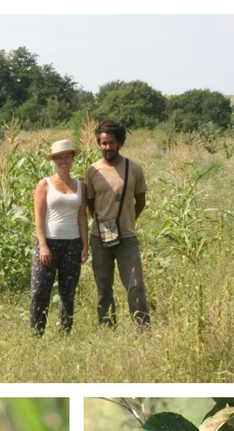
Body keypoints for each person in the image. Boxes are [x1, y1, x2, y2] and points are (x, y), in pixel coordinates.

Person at [84, 120, 149, 327]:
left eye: (111, 143)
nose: (107, 148)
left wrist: (126, 221)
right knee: (103, 286)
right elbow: (90, 204)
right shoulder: (92, 171)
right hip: (99, 237)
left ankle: (142, 327)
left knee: (135, 285)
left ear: (120, 143)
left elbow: (140, 202)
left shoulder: (134, 169)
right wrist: (106, 223)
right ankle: (107, 327)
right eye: (103, 143)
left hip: (128, 237)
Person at [30, 139, 89, 335]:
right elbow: (38, 216)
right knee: (40, 291)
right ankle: (36, 333)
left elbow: (82, 217)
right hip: (49, 242)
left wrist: (85, 246)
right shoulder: (44, 184)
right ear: (54, 160)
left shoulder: (80, 186)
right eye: (59, 157)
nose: (64, 160)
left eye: (67, 156)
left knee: (68, 291)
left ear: (72, 158)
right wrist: (43, 245)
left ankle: (65, 332)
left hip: (72, 243)